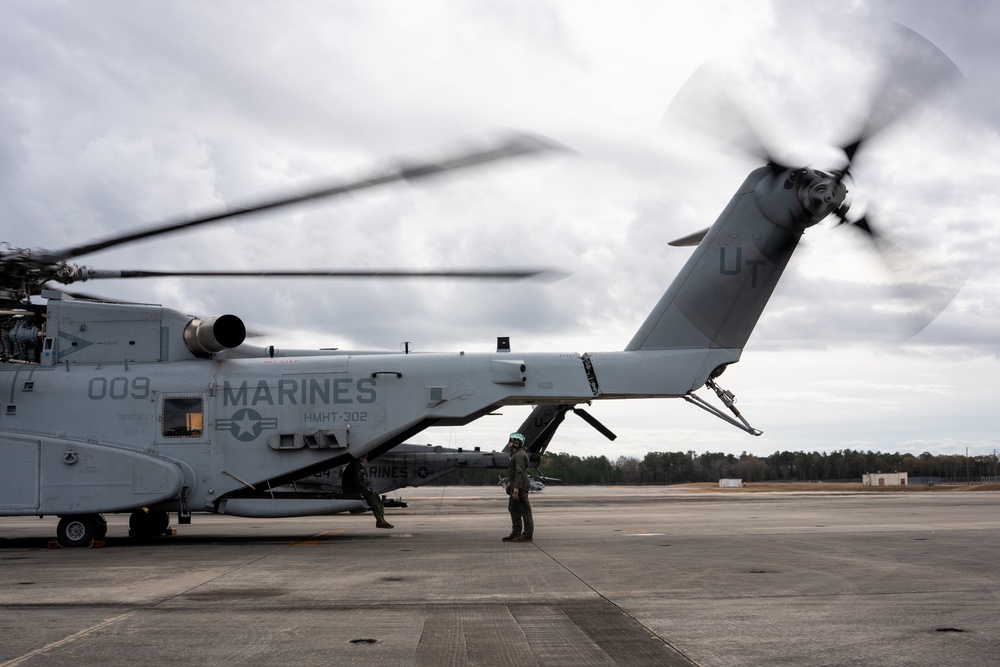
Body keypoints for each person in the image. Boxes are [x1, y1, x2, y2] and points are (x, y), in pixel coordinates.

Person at [342, 454, 394, 529]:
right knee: (371, 496)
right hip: (351, 490)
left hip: (355, 488)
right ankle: (379, 520)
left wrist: (367, 488)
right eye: (363, 456)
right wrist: (366, 490)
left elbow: (361, 482)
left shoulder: (358, 467)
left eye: (365, 457)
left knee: (376, 495)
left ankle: (382, 519)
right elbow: (357, 483)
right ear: (358, 457)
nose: (364, 458)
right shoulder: (353, 467)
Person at [502, 432, 533, 542]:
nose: (510, 443)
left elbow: (519, 472)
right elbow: (513, 471)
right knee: (513, 508)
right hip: (515, 484)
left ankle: (527, 535)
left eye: (513, 441)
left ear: (517, 443)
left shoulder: (519, 455)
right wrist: (510, 482)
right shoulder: (514, 454)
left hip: (520, 485)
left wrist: (516, 489)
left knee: (525, 510)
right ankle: (516, 533)